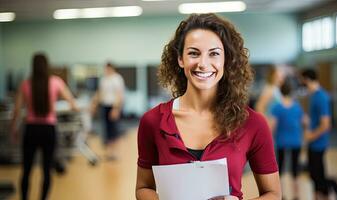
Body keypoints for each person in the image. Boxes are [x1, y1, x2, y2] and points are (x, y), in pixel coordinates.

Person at [136, 13, 281, 200]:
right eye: (193, 53)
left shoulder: (253, 123)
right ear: (180, 59)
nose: (203, 64)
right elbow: (143, 188)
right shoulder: (153, 121)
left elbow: (273, 194)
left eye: (214, 53)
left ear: (226, 60)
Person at [10, 53, 78, 200]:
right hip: (48, 130)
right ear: (47, 66)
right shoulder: (56, 82)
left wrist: (13, 129)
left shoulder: (26, 83)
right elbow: (72, 103)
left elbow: (16, 110)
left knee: (26, 170)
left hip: (31, 129)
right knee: (47, 170)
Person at [301, 69, 337, 200]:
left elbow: (326, 124)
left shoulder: (321, 97)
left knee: (318, 175)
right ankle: (323, 194)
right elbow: (317, 120)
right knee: (315, 174)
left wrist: (311, 136)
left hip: (318, 143)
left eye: (302, 80)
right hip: (313, 143)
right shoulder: (313, 96)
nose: (301, 83)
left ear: (307, 79)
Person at [271, 79, 307, 200]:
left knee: (279, 169)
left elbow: (273, 127)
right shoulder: (297, 107)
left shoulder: (277, 107)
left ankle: (282, 195)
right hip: (296, 142)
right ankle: (296, 195)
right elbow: (305, 121)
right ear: (291, 92)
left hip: (281, 142)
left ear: (281, 92)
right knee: (295, 169)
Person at [90, 62, 125, 160]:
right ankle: (109, 152)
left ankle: (115, 152)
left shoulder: (117, 78)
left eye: (107, 68)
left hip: (113, 106)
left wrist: (116, 109)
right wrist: (93, 104)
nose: (106, 70)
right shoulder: (104, 79)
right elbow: (99, 92)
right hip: (105, 106)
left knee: (114, 130)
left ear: (111, 68)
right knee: (107, 130)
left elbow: (120, 94)